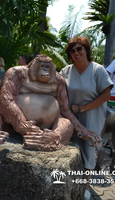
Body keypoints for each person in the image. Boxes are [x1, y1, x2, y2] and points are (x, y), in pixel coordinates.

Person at [60, 36, 113, 200]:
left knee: (88, 152)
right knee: (70, 148)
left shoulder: (97, 70)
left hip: (92, 115)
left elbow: (106, 94)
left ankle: (85, 187)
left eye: (79, 49)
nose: (76, 53)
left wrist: (84, 107)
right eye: (72, 50)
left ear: (86, 50)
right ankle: (68, 184)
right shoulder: (66, 71)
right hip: (70, 117)